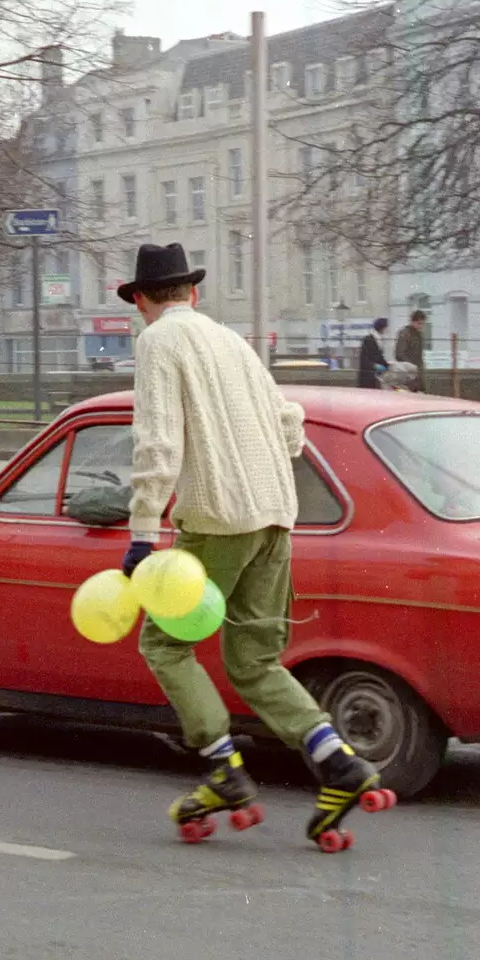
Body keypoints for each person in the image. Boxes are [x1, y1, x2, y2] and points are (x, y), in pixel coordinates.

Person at [118, 241, 391, 848]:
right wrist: (259, 471)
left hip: (217, 522)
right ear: (195, 291)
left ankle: (224, 769)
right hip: (275, 520)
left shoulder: (158, 341)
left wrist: (141, 533)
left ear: (141, 300)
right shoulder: (230, 341)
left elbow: (157, 444)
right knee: (254, 662)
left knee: (163, 643)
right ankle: (340, 764)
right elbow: (290, 421)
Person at [394, 310, 427, 392]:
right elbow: (399, 354)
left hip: (417, 373)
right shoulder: (405, 334)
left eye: (422, 324)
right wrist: (411, 366)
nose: (421, 326)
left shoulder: (418, 335)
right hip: (408, 373)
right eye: (419, 323)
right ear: (412, 322)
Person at [357, 318, 388, 388]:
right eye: (386, 328)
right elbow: (363, 359)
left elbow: (379, 357)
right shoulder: (368, 339)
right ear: (382, 328)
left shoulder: (379, 340)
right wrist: (374, 366)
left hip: (375, 377)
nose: (387, 330)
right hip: (367, 377)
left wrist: (388, 365)